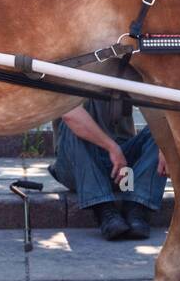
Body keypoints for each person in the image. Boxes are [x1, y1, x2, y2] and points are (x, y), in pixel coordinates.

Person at [48, 94, 168, 241]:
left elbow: (159, 110)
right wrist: (112, 147)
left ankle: (136, 208)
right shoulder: (69, 71)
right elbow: (70, 114)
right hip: (76, 167)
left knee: (163, 127)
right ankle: (104, 210)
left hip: (122, 170)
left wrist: (164, 144)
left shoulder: (128, 72)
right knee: (71, 122)